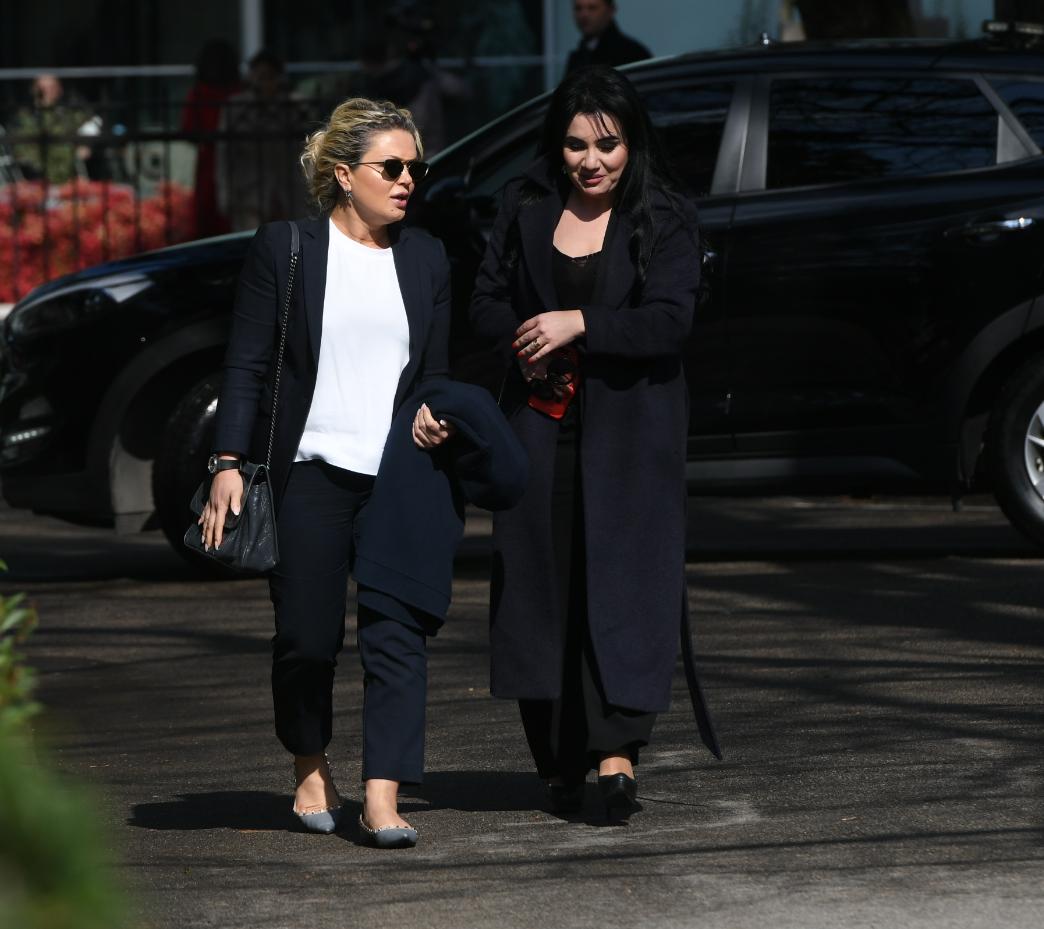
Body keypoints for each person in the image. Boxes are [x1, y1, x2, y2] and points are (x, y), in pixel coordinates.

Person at [200, 98, 454, 848]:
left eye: (416, 168)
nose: (407, 180)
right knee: (307, 640)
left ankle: (383, 793)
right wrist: (227, 462)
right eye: (392, 166)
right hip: (310, 474)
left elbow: (435, 373)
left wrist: (435, 415)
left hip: (399, 477)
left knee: (397, 637)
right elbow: (247, 364)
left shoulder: (426, 257)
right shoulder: (287, 248)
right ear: (345, 174)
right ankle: (310, 763)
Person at [469, 66, 719, 823]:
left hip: (631, 433)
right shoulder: (525, 206)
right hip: (539, 428)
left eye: (607, 145)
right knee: (542, 588)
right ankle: (557, 760)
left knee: (623, 583)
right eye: (577, 144)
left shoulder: (664, 215)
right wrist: (523, 341)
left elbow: (670, 321)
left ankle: (617, 752)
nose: (592, 161)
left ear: (631, 143)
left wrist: (579, 323)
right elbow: (485, 304)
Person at [217, 49, 309, 231]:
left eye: (269, 77)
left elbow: (308, 149)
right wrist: (224, 193)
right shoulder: (236, 108)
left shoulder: (295, 106)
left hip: (289, 190)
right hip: (249, 192)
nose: (264, 83)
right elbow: (224, 155)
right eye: (260, 76)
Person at [180, 39, 243, 237]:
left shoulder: (200, 93)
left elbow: (188, 130)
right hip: (225, 158)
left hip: (219, 158)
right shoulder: (235, 92)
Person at [10, 74, 97, 184]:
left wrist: (86, 144)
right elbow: (18, 150)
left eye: (52, 87)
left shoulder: (72, 113)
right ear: (34, 89)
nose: (48, 91)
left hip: (71, 176)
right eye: (43, 88)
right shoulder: (23, 117)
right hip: (34, 177)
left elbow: (92, 126)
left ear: (60, 89)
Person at [565, 0, 651, 75]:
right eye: (578, 8)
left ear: (611, 10)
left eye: (592, 8)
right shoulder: (577, 57)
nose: (584, 15)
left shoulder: (633, 53)